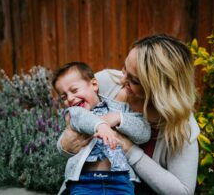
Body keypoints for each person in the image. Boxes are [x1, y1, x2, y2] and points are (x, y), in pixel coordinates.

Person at [59, 34, 200, 195]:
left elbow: (183, 192)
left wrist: (130, 150)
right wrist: (66, 145)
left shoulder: (181, 124)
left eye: (135, 81)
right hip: (87, 185)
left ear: (159, 90)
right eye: (124, 69)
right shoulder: (105, 82)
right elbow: (73, 124)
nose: (122, 79)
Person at [52, 62, 151, 195]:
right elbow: (83, 118)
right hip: (84, 181)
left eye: (74, 90)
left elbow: (143, 132)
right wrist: (101, 125)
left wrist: (119, 118)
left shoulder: (119, 109)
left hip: (121, 180)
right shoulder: (74, 114)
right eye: (63, 97)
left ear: (94, 85)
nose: (70, 98)